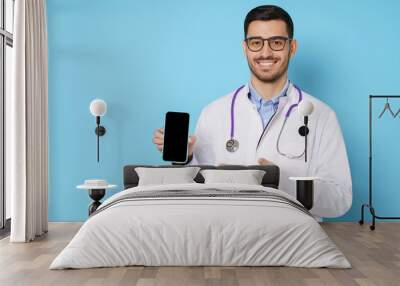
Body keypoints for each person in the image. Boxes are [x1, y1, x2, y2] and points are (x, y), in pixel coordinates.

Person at [153, 5, 352, 218]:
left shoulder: (322, 116)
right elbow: (197, 190)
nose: (266, 52)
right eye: (256, 43)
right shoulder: (214, 112)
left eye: (276, 42)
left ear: (292, 48)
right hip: (227, 234)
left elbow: (340, 199)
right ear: (245, 48)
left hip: (293, 239)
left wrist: (280, 180)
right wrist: (186, 157)